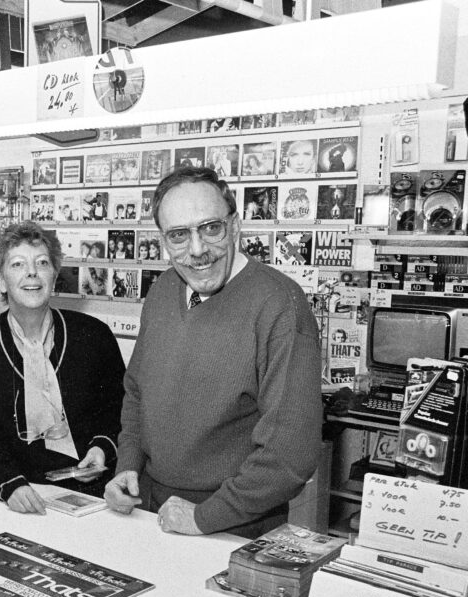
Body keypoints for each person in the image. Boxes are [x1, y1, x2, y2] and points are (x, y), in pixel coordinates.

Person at [104, 166, 321, 537]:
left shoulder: (280, 305)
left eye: (211, 228)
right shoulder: (163, 289)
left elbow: (290, 455)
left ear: (234, 226)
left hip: (234, 524)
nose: (197, 250)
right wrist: (127, 465)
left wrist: (205, 517)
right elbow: (138, 393)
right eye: (178, 235)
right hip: (151, 507)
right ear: (163, 240)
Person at [0, 222, 126, 514]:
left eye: (42, 263)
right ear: (0, 280)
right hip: (14, 492)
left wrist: (102, 449)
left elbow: (118, 408)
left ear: (54, 276)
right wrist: (9, 484)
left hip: (90, 493)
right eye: (18, 264)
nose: (32, 272)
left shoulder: (93, 335)